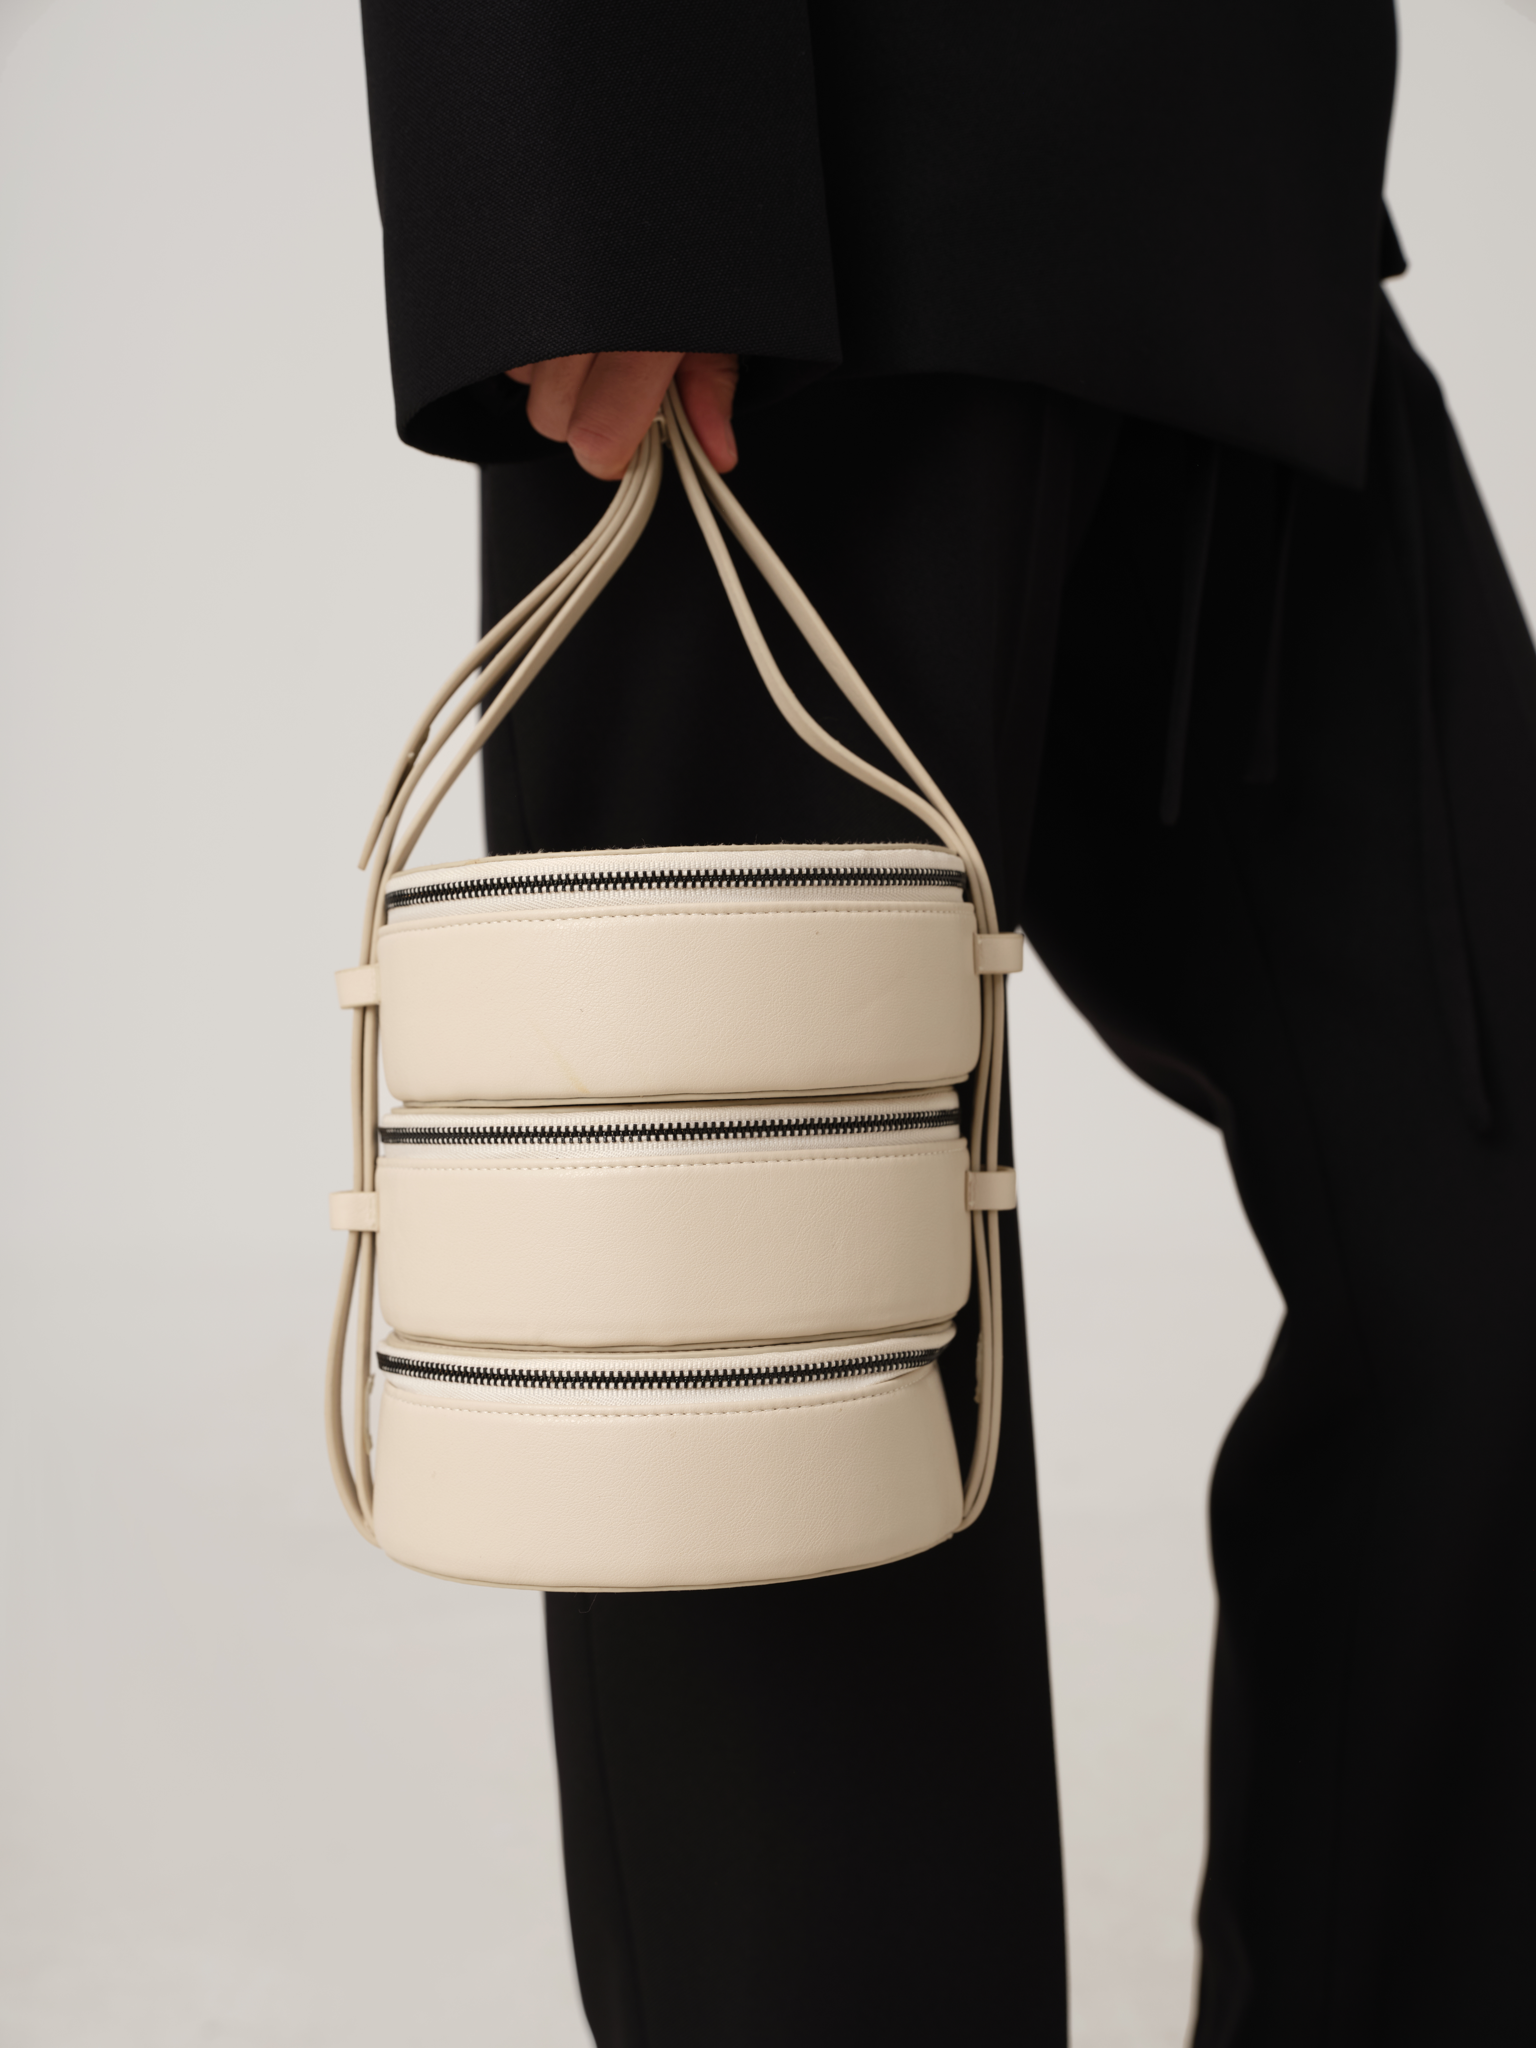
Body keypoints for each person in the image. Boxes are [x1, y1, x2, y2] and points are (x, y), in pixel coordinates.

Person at [357, 6, 1536, 2042]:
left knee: (1486, 1250)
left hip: (1228, 194)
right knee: (774, 1415)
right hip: (771, 216)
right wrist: (591, 177)